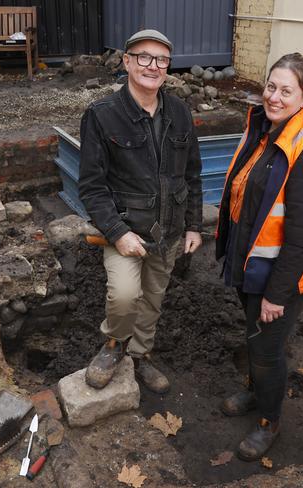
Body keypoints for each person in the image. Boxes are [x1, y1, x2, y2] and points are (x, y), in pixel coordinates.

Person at [215, 52, 303, 460]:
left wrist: (277, 295)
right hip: (254, 268)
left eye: (287, 90)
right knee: (255, 338)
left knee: (267, 351)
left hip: (281, 279)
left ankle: (269, 420)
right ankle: (254, 391)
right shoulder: (266, 132)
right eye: (271, 86)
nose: (274, 96)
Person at [78, 29, 203, 394]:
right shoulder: (103, 116)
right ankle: (114, 344)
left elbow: (192, 174)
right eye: (144, 57)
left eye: (161, 59)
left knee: (153, 298)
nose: (153, 65)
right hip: (126, 229)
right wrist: (117, 232)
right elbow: (92, 186)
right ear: (128, 62)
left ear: (167, 67)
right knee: (124, 295)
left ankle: (140, 354)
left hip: (170, 230)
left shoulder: (180, 113)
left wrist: (194, 226)